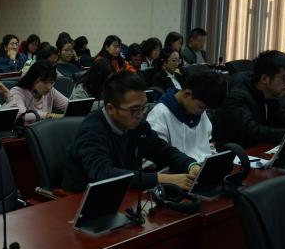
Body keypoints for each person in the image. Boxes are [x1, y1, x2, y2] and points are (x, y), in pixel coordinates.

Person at [61, 71, 201, 193]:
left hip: (124, 192)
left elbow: (161, 149)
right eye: (134, 110)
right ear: (110, 109)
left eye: (143, 107)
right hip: (81, 199)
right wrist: (162, 179)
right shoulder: (92, 130)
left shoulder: (136, 123)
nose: (140, 115)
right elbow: (104, 174)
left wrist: (190, 165)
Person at [213, 50, 285, 147]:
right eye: (284, 78)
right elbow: (251, 132)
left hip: (261, 149)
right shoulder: (237, 94)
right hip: (236, 151)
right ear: (265, 79)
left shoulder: (276, 93)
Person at [147, 72, 226, 163]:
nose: (202, 112)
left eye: (205, 109)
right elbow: (156, 157)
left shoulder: (197, 110)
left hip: (201, 165)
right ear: (187, 94)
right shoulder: (160, 114)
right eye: (201, 107)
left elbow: (207, 143)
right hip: (178, 169)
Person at [10, 60, 68, 125]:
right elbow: (20, 114)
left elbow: (68, 106)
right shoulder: (17, 91)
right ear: (33, 79)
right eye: (45, 82)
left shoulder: (51, 91)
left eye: (52, 82)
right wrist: (49, 115)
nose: (49, 87)